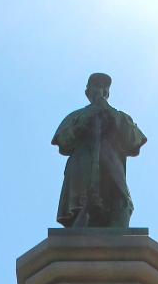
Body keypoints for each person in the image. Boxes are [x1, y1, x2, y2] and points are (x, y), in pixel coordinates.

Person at [52, 73, 146, 228]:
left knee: (121, 207)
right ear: (88, 91)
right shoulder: (77, 116)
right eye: (96, 85)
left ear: (108, 93)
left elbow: (134, 140)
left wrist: (111, 115)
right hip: (82, 170)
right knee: (81, 213)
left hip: (112, 167)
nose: (100, 90)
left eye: (104, 87)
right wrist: (84, 122)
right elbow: (63, 141)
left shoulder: (120, 116)